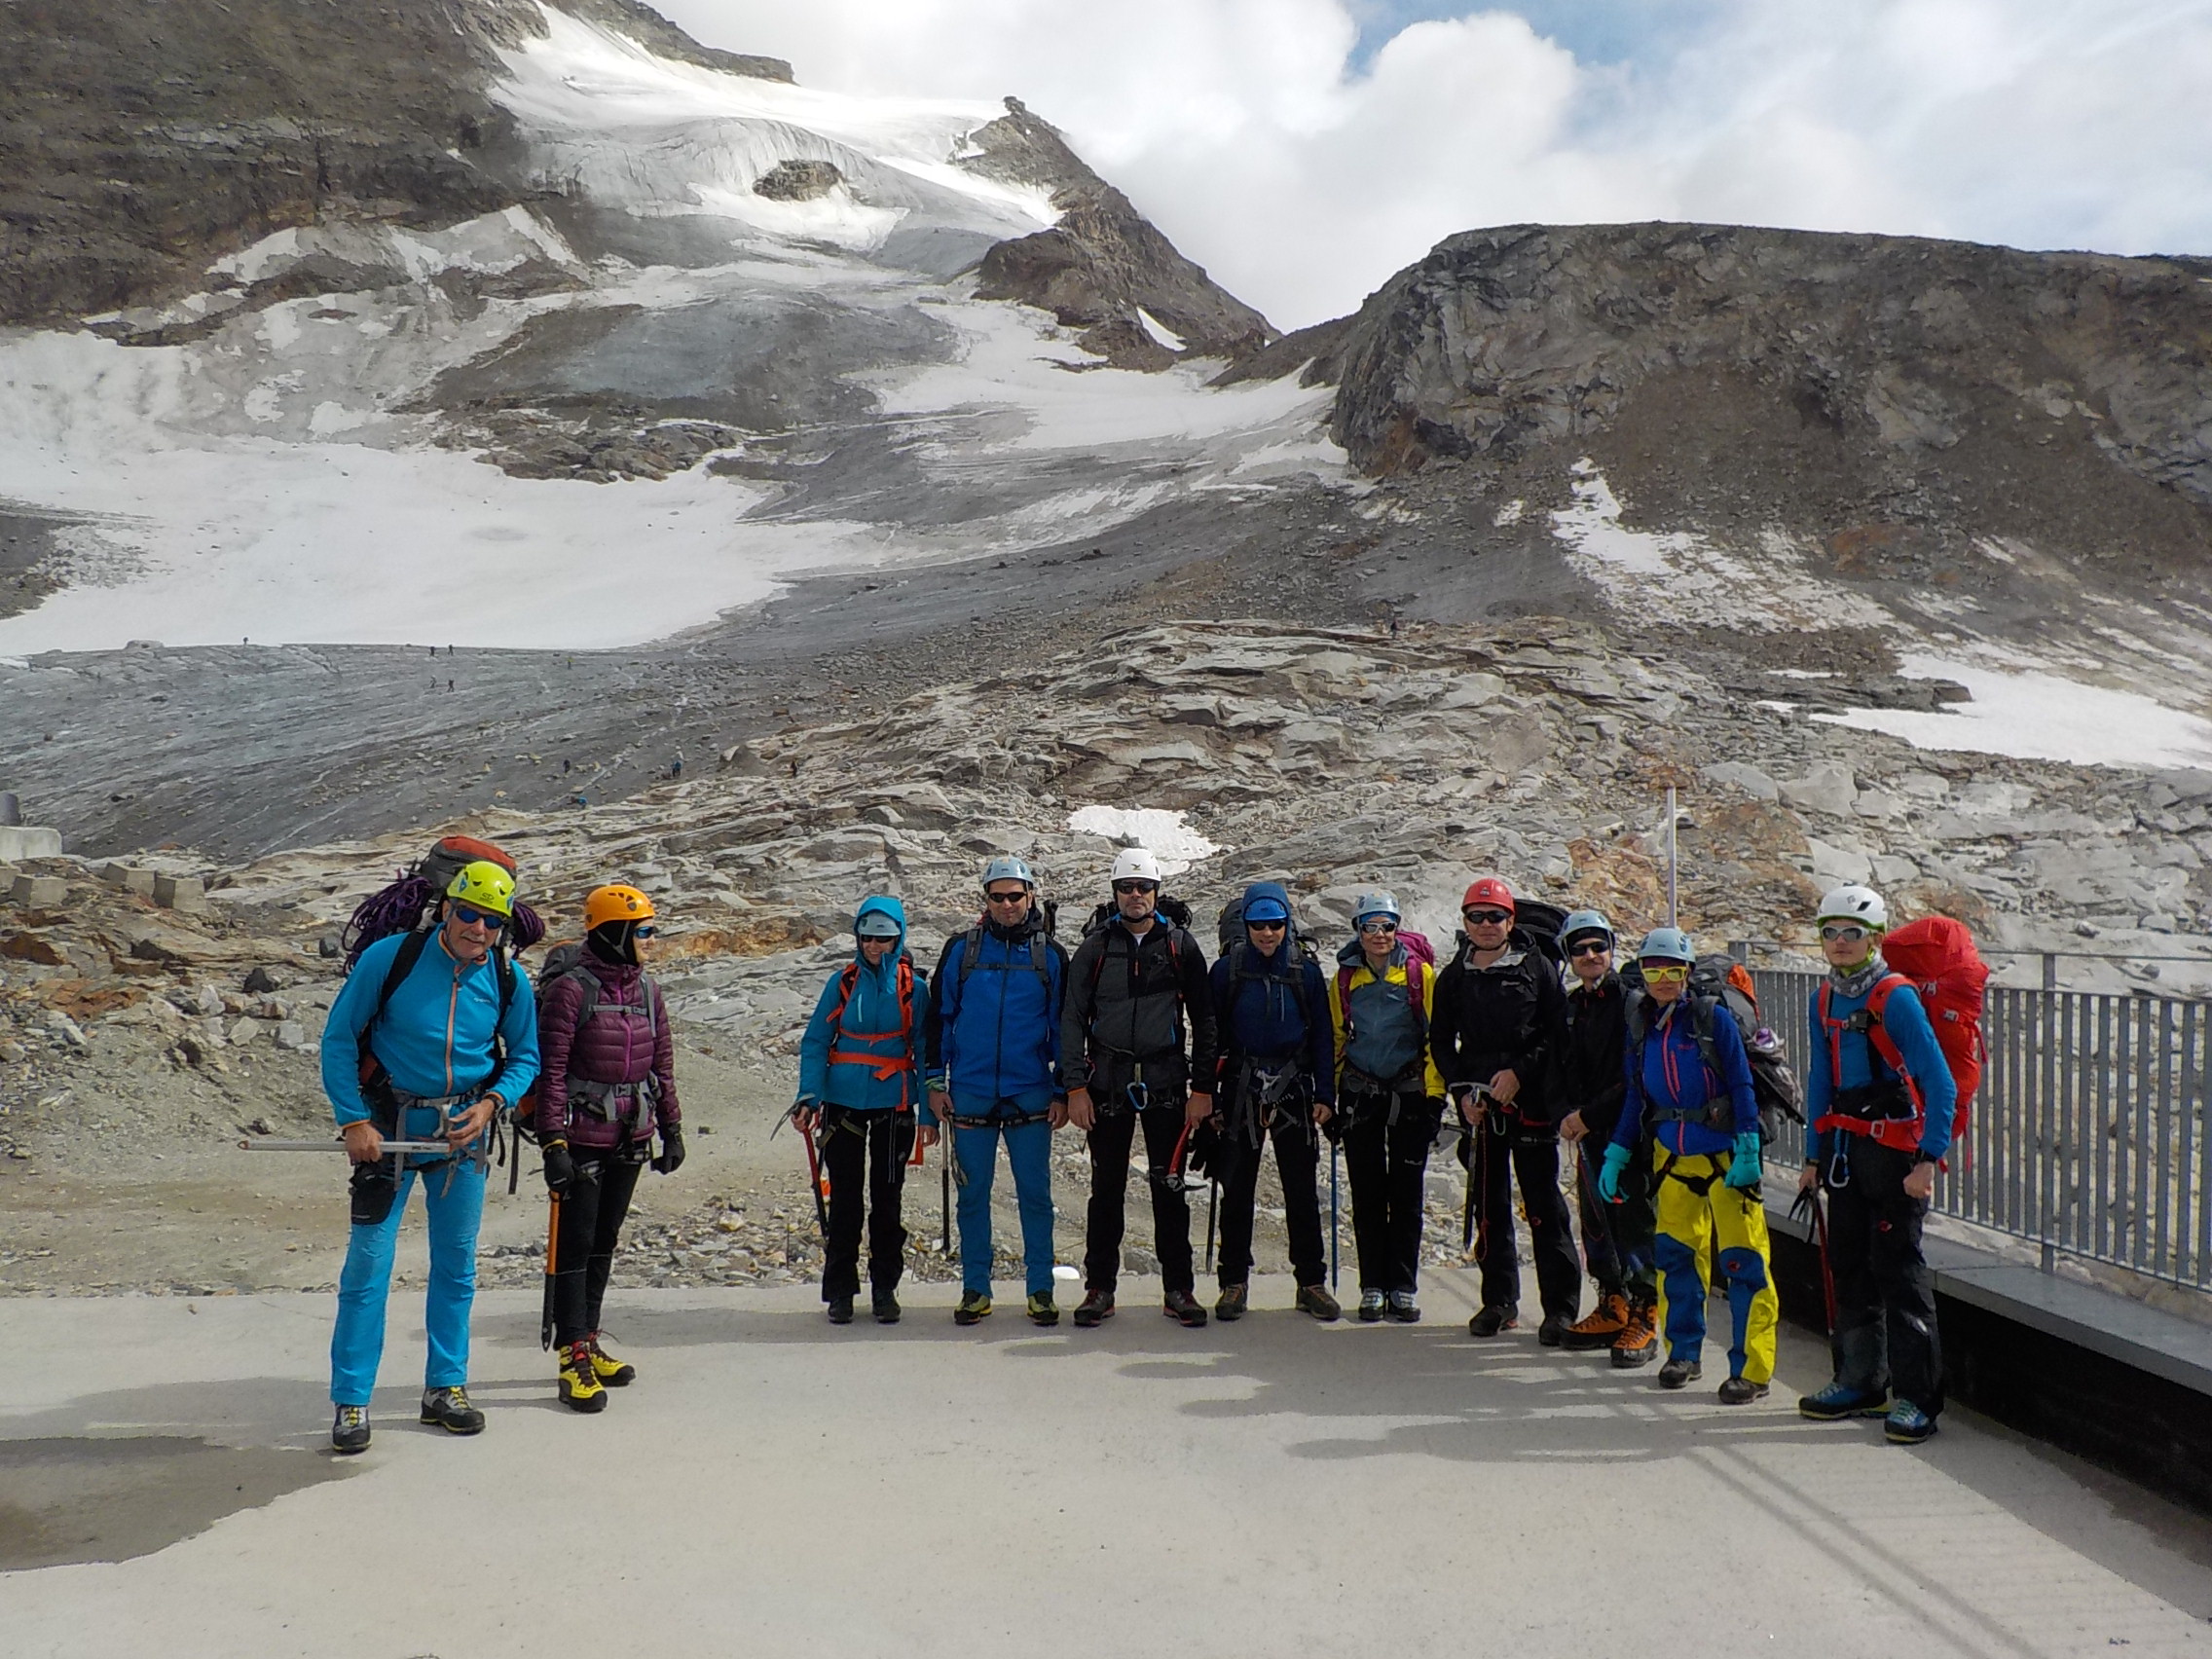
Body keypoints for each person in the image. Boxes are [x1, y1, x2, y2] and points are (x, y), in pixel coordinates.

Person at [322, 860, 540, 1453]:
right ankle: (352, 1400)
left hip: (461, 1140)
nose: (478, 929)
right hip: (386, 1134)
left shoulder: (507, 977)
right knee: (367, 1268)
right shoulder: (390, 958)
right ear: (446, 909)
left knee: (456, 1267)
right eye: (468, 913)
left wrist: (493, 1103)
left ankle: (446, 1387)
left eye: (492, 921)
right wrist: (353, 1119)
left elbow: (526, 1055)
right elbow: (338, 1038)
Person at [1795, 884, 1958, 1445]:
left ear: (1875, 938)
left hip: (1894, 1156)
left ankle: (1918, 1399)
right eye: (1831, 932)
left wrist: (1928, 1160)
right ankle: (1860, 1381)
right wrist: (1812, 1156)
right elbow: (1821, 1078)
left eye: (1852, 932)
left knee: (1899, 1272)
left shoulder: (1897, 998)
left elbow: (1939, 1082)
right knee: (1849, 1266)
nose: (1840, 942)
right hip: (1845, 1153)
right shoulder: (1824, 999)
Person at [1600, 927, 1775, 1402]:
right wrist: (1617, 1151)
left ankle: (1752, 1371)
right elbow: (1637, 1094)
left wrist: (1748, 1148)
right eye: (1653, 969)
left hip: (1725, 1156)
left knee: (1743, 1262)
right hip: (1672, 1159)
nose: (1662, 979)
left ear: (1688, 973)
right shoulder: (1641, 1025)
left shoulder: (1711, 1018)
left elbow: (1741, 1083)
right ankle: (1683, 1354)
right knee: (1676, 1260)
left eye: (1672, 970)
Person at [533, 883, 683, 1413]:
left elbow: (662, 1066)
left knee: (604, 1241)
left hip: (630, 1135)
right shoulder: (570, 991)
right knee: (575, 1245)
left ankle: (588, 1341)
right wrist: (552, 1143)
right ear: (616, 933)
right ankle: (571, 1357)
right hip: (581, 1139)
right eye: (643, 931)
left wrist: (672, 1129)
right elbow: (551, 1072)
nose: (650, 940)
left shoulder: (648, 992)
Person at [1060, 847, 1219, 1329]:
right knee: (1105, 1189)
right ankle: (1099, 1289)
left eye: (1143, 887)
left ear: (1156, 892)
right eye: (1127, 887)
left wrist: (1203, 1089)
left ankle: (1179, 1289)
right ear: (1115, 893)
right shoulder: (1095, 948)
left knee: (1169, 1189)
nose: (1135, 895)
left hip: (1166, 1083)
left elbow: (1205, 1020)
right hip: (1106, 1085)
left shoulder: (1180, 946)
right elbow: (1072, 1019)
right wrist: (1075, 1088)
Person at [924, 855, 1069, 1328]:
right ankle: (975, 1289)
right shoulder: (960, 950)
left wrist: (1063, 1089)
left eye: (1015, 896)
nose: (1007, 904)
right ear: (985, 899)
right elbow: (939, 1019)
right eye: (998, 896)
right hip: (971, 1090)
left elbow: (1064, 1028)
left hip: (1030, 1090)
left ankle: (1041, 1289)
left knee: (1035, 1195)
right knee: (972, 1196)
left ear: (1031, 896)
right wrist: (934, 1082)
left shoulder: (1050, 955)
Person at [1431, 877, 1576, 1343]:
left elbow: (1556, 1033)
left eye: (1495, 916)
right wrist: (1461, 1093)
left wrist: (1519, 1073)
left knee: (1543, 1206)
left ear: (1511, 921)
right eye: (1477, 916)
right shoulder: (1454, 976)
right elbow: (1441, 1041)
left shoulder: (1538, 969)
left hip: (1531, 1104)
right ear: (1465, 921)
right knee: (1489, 1207)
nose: (1486, 924)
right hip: (1481, 1109)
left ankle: (1560, 1309)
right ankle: (1499, 1301)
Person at [794, 897, 935, 1325]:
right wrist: (808, 1097)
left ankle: (884, 1289)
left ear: (898, 939)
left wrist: (929, 1114)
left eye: (883, 939)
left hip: (894, 1103)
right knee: (846, 1201)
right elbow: (816, 1041)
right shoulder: (842, 983)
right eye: (868, 937)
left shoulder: (915, 989)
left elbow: (926, 1050)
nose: (874, 946)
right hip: (843, 1104)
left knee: (887, 1201)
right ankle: (841, 1291)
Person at [1207, 881, 1341, 1321]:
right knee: (1237, 1190)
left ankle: (1310, 1282)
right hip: (1241, 1089)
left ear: (1287, 925)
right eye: (1259, 925)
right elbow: (1211, 1038)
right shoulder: (1226, 972)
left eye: (1276, 925)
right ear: (1245, 925)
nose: (1267, 933)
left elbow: (1323, 1036)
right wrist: (1210, 1096)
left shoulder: (1305, 972)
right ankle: (1234, 1282)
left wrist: (1325, 1094)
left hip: (1294, 1089)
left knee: (1300, 1191)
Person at [1547, 909, 1658, 1366]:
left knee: (1635, 1222)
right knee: (1597, 1220)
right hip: (1588, 1131)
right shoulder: (1573, 1007)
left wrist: (1586, 1116)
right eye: (1580, 949)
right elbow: (1558, 1068)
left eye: (1598, 946)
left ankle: (1645, 1314)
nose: (1591, 955)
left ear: (1612, 948)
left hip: (1627, 1131)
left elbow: (1635, 1076)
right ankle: (1613, 1305)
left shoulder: (1632, 1003)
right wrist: (1565, 1115)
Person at [1328, 891, 1445, 1322]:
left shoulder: (1419, 974)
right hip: (1360, 1095)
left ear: (1397, 928)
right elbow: (1337, 1039)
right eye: (1371, 926)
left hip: (1409, 1094)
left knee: (1407, 1193)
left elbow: (1434, 1038)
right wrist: (1331, 1099)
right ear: (1358, 931)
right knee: (1368, 1194)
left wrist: (1435, 1097)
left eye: (1387, 926)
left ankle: (1403, 1286)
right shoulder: (1344, 979)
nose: (1380, 934)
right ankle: (1373, 1286)